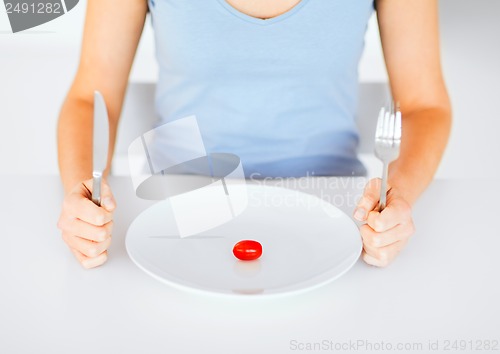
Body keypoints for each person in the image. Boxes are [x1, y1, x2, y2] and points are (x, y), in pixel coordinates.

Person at [57, 0, 451, 269]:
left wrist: (397, 196)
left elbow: (423, 106)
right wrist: (83, 193)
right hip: (178, 214)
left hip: (335, 215)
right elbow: (91, 96)